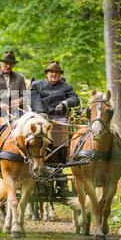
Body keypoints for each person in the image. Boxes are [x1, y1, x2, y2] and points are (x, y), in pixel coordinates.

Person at [30, 61, 80, 196]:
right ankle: (36, 164)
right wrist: (41, 113)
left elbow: (75, 99)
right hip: (41, 117)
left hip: (59, 118)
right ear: (47, 74)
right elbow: (34, 100)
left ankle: (59, 167)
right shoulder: (36, 85)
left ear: (59, 75)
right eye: (51, 72)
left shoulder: (66, 86)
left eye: (56, 73)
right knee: (37, 132)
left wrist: (64, 103)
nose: (54, 74)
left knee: (61, 131)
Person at [0, 51, 26, 121]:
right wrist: (0, 104)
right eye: (6, 63)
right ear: (1, 63)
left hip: (16, 108)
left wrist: (20, 100)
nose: (8, 66)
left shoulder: (20, 78)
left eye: (11, 64)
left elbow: (25, 96)